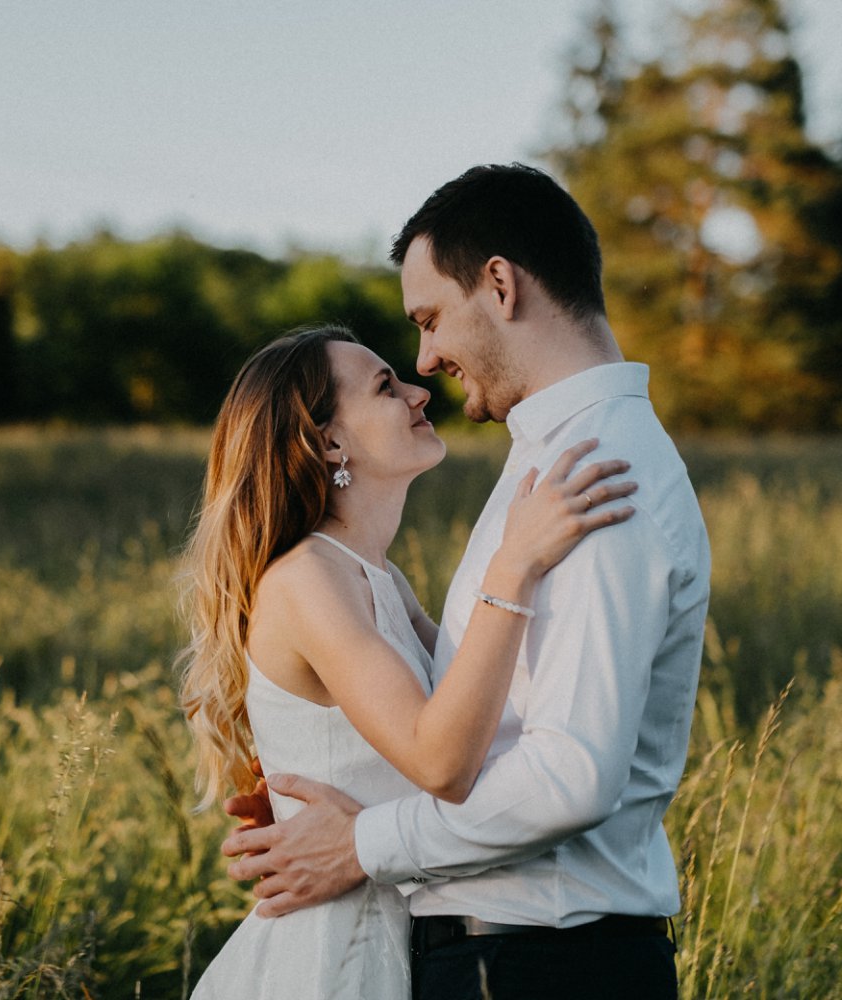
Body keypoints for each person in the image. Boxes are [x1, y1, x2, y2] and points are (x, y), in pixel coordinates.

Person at [220, 164, 711, 1000]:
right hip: (490, 955)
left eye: (429, 319)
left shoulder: (596, 474)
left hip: (544, 961)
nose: (426, 360)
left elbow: (569, 775)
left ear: (499, 285)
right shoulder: (547, 459)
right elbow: (454, 725)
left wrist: (360, 840)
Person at [179, 323, 639, 999]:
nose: (421, 392)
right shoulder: (308, 577)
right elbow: (440, 760)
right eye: (386, 386)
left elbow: (479, 710)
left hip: (411, 935)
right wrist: (514, 566)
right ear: (330, 441)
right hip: (333, 957)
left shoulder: (379, 579)